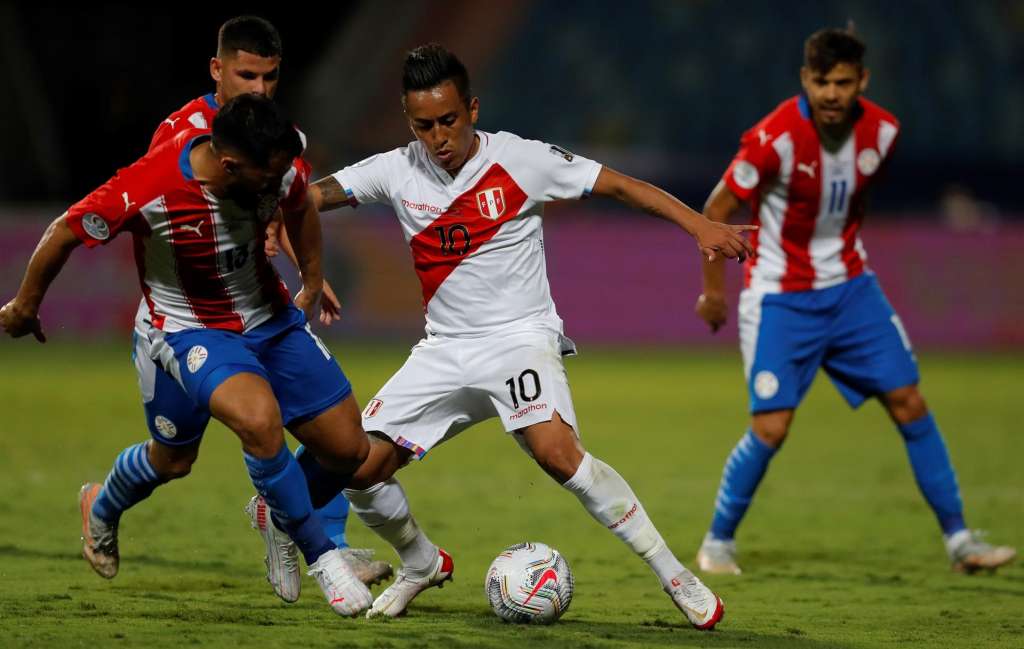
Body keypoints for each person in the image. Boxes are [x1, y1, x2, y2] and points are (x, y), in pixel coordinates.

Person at [282, 43, 754, 629]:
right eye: (424, 126)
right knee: (356, 466)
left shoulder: (521, 160)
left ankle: (673, 574)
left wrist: (699, 226)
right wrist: (291, 232)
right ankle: (420, 562)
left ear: (472, 108)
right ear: (410, 123)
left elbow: (620, 186)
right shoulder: (395, 169)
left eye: (449, 120)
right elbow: (306, 198)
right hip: (444, 348)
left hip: (518, 339)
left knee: (558, 455)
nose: (438, 137)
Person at [0, 94, 376, 617]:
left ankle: (276, 510)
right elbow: (65, 229)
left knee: (349, 449)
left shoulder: (276, 167)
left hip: (269, 318)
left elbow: (300, 210)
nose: (278, 183)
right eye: (266, 177)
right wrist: (25, 306)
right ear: (228, 165)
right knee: (228, 434)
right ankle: (323, 557)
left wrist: (311, 280)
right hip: (188, 329)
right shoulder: (152, 185)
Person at [77, 15, 391, 599]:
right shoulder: (179, 137)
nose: (259, 89)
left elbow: (286, 202)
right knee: (173, 459)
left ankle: (313, 535)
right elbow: (160, 224)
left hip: (256, 315)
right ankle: (103, 504)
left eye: (270, 77)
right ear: (217, 69)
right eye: (247, 74)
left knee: (323, 436)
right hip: (183, 323)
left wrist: (303, 266)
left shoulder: (274, 134)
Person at [692, 27, 1016, 575]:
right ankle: (717, 542)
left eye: (843, 82)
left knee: (910, 402)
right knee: (771, 428)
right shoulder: (773, 140)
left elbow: (851, 199)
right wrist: (713, 292)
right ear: (805, 80)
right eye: (822, 82)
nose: (832, 94)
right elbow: (715, 210)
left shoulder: (884, 132)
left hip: (850, 289)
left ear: (861, 81)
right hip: (780, 297)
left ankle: (961, 541)